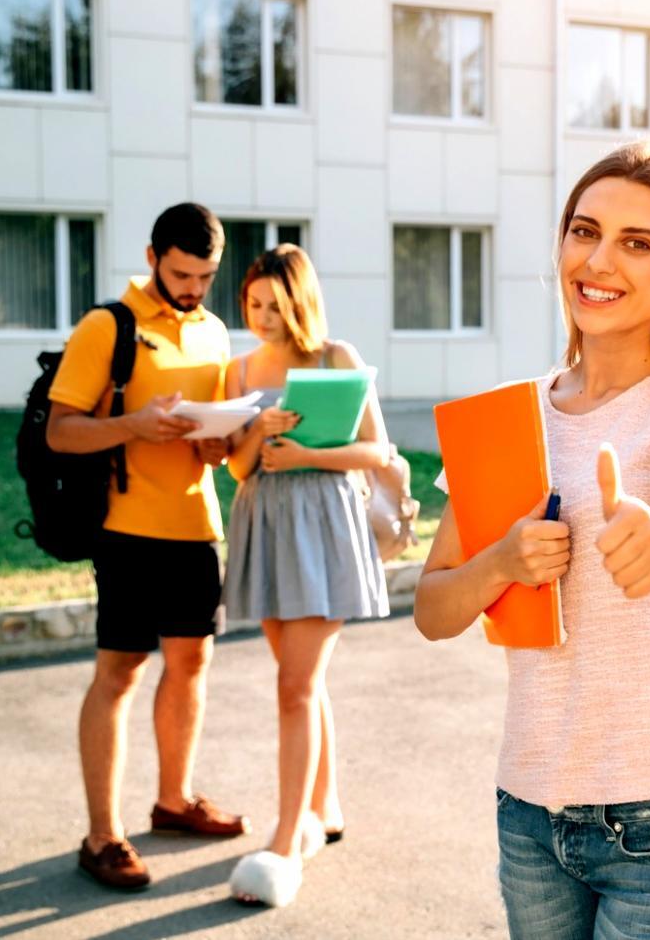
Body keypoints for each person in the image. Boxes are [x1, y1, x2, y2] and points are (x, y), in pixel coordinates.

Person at [415, 138, 650, 940]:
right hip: (531, 810)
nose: (596, 260)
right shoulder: (502, 419)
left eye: (636, 243)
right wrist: (500, 561)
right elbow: (433, 610)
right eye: (584, 230)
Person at [46, 202, 248, 892]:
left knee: (191, 665)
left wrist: (220, 444)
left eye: (205, 275)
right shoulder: (109, 326)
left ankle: (173, 800)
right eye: (182, 272)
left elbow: (214, 446)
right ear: (153, 255)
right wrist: (132, 423)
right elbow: (61, 432)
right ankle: (102, 835)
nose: (193, 288)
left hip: (197, 526)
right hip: (126, 529)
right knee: (120, 671)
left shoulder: (216, 332)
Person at [220, 245, 394, 907]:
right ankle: (325, 805)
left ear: (300, 301)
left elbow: (377, 450)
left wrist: (307, 453)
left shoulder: (334, 357)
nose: (263, 317)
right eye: (252, 305)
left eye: (275, 305)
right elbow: (236, 469)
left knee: (294, 686)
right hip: (263, 523)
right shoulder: (240, 370)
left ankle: (288, 837)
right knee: (304, 682)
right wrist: (255, 434)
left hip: (322, 524)